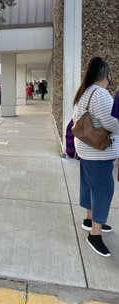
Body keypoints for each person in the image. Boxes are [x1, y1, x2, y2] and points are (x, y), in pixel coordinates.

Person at [73, 57, 119, 257]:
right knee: (104, 190)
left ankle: (90, 220)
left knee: (90, 185)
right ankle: (94, 234)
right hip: (98, 152)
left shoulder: (85, 91)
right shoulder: (101, 94)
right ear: (107, 75)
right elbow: (114, 124)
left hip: (85, 149)